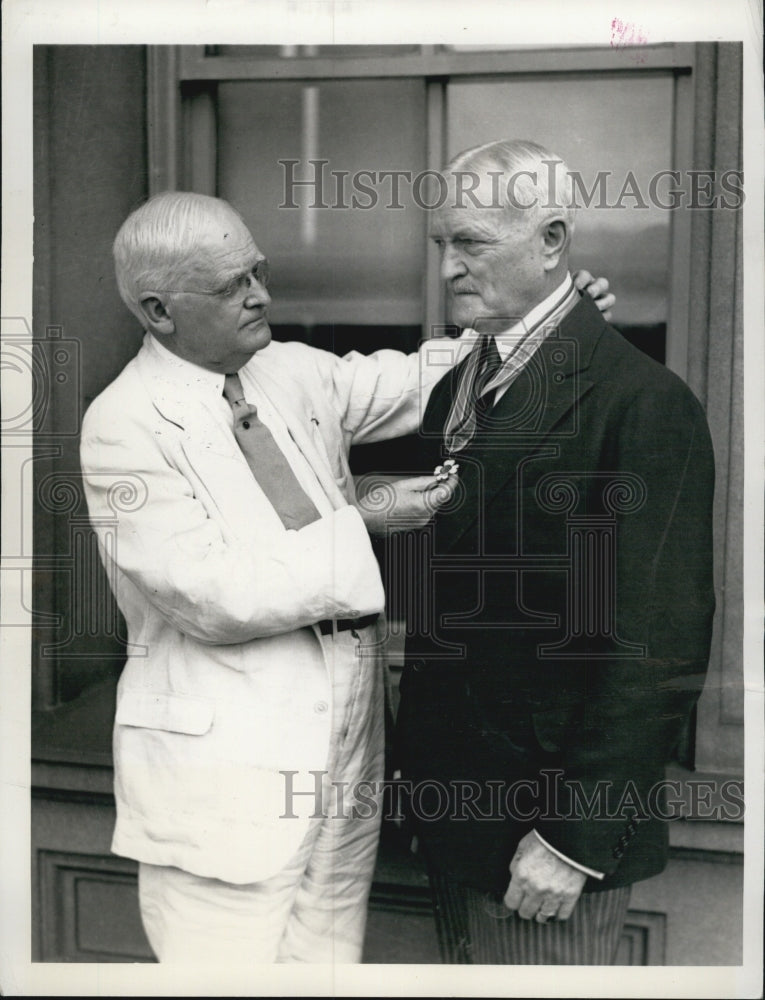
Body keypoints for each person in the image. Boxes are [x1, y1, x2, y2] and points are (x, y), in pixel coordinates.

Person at [79, 189, 613, 964]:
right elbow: (215, 596)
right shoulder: (122, 426)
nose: (262, 294)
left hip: (344, 778)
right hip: (222, 797)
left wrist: (545, 321)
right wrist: (361, 521)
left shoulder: (288, 371)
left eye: (258, 271)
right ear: (159, 311)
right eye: (234, 286)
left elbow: (423, 374)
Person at [394, 139, 716, 965]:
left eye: (470, 243)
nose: (447, 271)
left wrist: (574, 839)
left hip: (546, 840)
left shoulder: (642, 404)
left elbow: (658, 643)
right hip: (454, 819)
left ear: (550, 241)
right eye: (442, 245)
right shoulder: (456, 388)